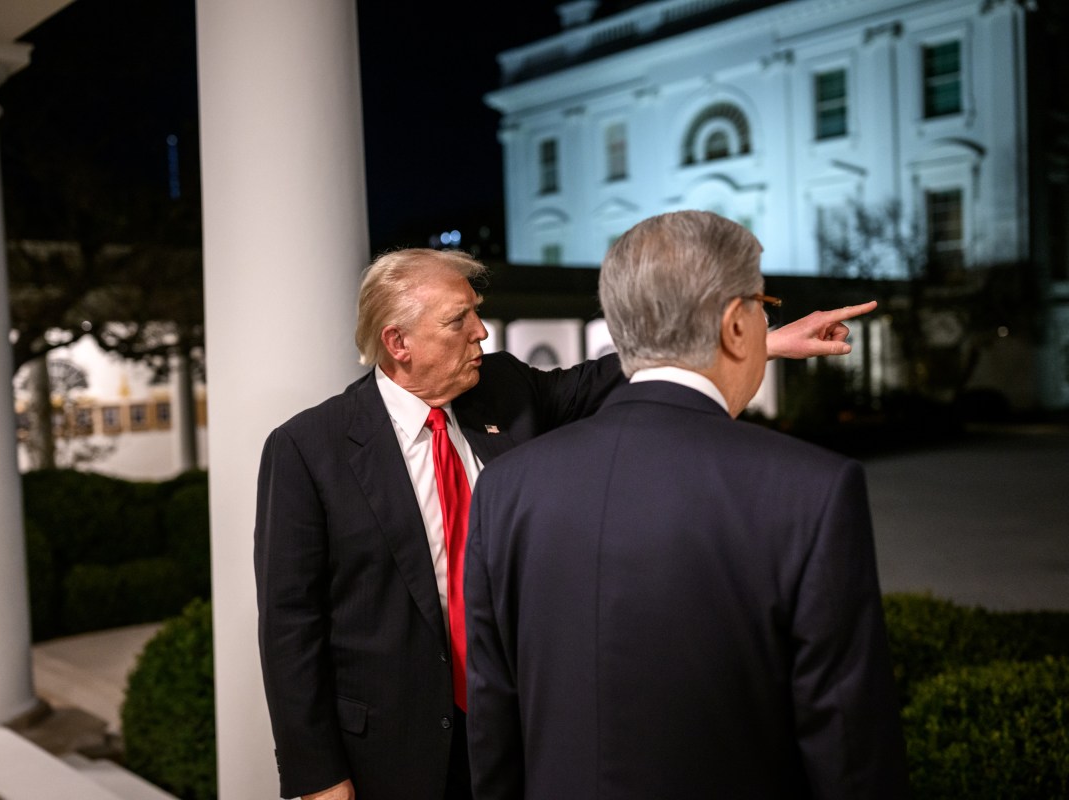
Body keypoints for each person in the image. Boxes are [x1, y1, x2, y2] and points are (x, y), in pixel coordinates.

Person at [254, 245, 879, 800]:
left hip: (519, 729)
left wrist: (760, 343)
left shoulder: (503, 386)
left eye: (477, 312)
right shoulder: (309, 449)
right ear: (398, 343)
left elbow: (603, 380)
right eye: (458, 320)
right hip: (390, 752)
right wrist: (317, 775)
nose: (481, 332)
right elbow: (290, 628)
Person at [464, 212, 910, 800]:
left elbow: (494, 722)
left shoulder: (505, 488)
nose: (765, 321)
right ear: (735, 325)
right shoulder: (812, 490)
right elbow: (850, 751)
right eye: (763, 305)